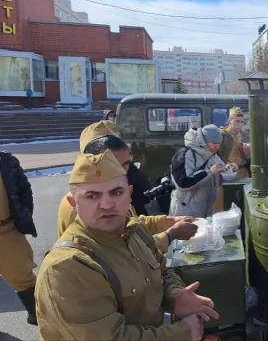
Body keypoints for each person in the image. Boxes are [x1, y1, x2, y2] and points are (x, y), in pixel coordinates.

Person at [36, 150, 219, 340]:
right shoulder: (68, 266)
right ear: (73, 203)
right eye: (92, 196)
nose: (107, 204)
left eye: (116, 192)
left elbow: (161, 268)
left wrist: (175, 295)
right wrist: (181, 333)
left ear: (129, 194)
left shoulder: (133, 230)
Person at [57, 121, 196, 253]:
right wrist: (169, 235)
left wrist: (170, 221)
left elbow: (131, 223)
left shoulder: (119, 188)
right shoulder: (78, 207)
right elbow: (116, 257)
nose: (123, 171)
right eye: (93, 195)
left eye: (126, 163)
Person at [0, 151, 38, 325]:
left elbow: (24, 190)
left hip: (6, 231)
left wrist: (24, 214)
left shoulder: (6, 162)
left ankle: (38, 315)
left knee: (23, 276)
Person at [170, 125, 237, 218]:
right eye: (214, 143)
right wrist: (208, 172)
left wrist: (229, 169)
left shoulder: (212, 154)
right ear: (203, 141)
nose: (217, 146)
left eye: (219, 143)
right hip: (184, 211)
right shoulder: (185, 154)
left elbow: (219, 171)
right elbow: (182, 183)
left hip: (206, 210)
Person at [219, 107, 250, 179]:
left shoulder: (242, 135)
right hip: (228, 173)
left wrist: (247, 154)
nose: (240, 124)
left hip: (243, 172)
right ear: (230, 120)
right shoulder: (222, 135)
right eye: (237, 121)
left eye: (242, 122)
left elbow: (245, 158)